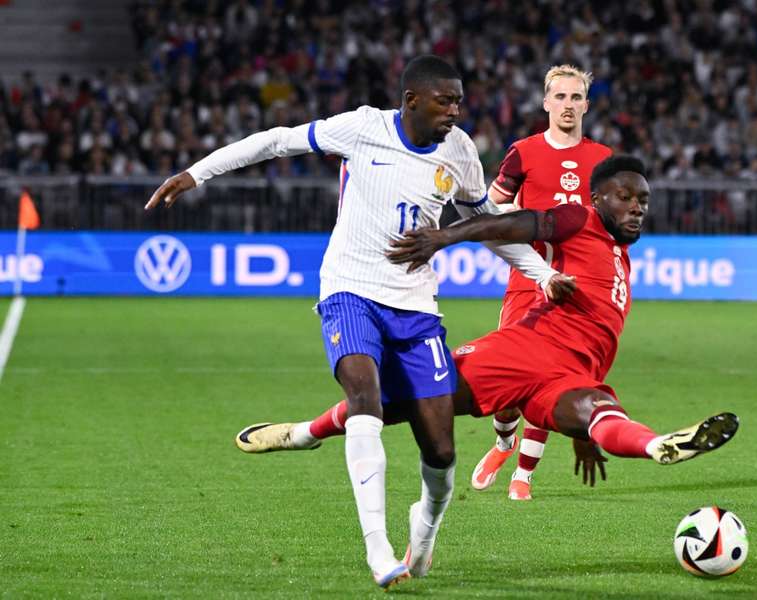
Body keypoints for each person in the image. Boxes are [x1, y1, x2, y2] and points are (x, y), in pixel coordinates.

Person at [144, 55, 575, 590]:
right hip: (350, 290)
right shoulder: (363, 127)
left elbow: (481, 224)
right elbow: (278, 139)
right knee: (364, 402)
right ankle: (378, 549)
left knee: (440, 450)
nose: (455, 111)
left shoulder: (460, 151)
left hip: (416, 308)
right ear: (412, 99)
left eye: (459, 101)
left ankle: (424, 529)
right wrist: (196, 173)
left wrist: (540, 273)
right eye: (445, 100)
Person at [236, 157, 740, 566]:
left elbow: (597, 343)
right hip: (522, 353)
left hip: (572, 378)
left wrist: (584, 439)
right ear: (597, 199)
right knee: (400, 403)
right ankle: (304, 433)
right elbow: (508, 224)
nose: (636, 208)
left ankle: (658, 446)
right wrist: (446, 236)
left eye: (643, 201)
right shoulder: (577, 219)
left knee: (600, 413)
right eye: (625, 198)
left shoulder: (621, 258)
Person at [474, 64, 614, 501]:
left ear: (586, 105)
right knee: (507, 387)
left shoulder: (603, 160)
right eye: (560, 97)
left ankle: (525, 474)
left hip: (578, 288)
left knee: (553, 378)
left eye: (576, 98)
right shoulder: (523, 152)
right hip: (528, 281)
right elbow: (489, 209)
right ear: (546, 102)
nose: (568, 105)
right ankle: (502, 442)